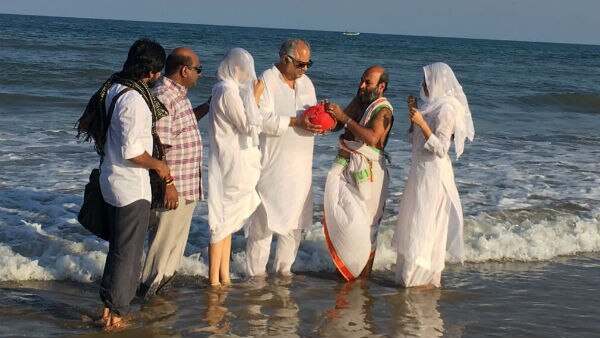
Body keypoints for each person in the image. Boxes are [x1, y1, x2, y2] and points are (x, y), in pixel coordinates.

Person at [86, 39, 170, 329]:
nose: (159, 77)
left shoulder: (114, 89)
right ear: (150, 72)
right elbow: (133, 152)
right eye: (158, 71)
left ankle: (107, 310)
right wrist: (159, 165)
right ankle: (117, 314)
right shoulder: (135, 100)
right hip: (130, 186)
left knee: (118, 251)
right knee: (128, 255)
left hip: (111, 178)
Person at [393, 62, 474, 288]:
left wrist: (421, 122)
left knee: (425, 223)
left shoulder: (447, 109)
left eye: (427, 81)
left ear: (437, 83)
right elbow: (415, 141)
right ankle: (408, 276)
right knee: (413, 220)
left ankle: (421, 279)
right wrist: (414, 121)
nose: (423, 85)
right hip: (419, 172)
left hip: (433, 175)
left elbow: (440, 149)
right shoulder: (430, 107)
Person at [245, 38, 321, 277]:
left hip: (301, 167)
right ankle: (254, 278)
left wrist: (322, 121)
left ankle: (283, 275)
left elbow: (311, 114)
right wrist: (295, 121)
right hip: (273, 166)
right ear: (285, 59)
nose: (305, 69)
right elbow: (259, 119)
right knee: (263, 227)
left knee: (294, 225)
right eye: (300, 64)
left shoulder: (307, 83)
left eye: (308, 64)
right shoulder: (265, 80)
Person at [139, 47, 207, 298]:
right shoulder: (165, 96)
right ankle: (147, 297)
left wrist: (207, 107)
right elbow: (160, 147)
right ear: (185, 70)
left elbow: (183, 125)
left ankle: (160, 298)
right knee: (162, 247)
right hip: (174, 187)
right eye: (198, 69)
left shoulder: (178, 94)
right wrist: (168, 184)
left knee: (173, 248)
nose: (200, 74)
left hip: (186, 185)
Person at [324, 65, 394, 280]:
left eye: (367, 83)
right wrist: (326, 114)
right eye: (361, 80)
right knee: (347, 218)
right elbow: (339, 124)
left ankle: (362, 279)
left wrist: (344, 118)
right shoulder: (361, 101)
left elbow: (372, 138)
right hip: (351, 168)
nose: (361, 85)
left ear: (381, 87)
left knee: (367, 228)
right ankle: (346, 271)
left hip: (370, 175)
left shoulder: (384, 110)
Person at [207, 48, 265, 286]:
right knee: (220, 223)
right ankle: (213, 280)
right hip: (229, 163)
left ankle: (224, 277)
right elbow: (248, 126)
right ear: (237, 69)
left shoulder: (225, 90)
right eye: (245, 70)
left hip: (231, 160)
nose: (248, 75)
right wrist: (256, 97)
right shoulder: (226, 91)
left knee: (227, 223)